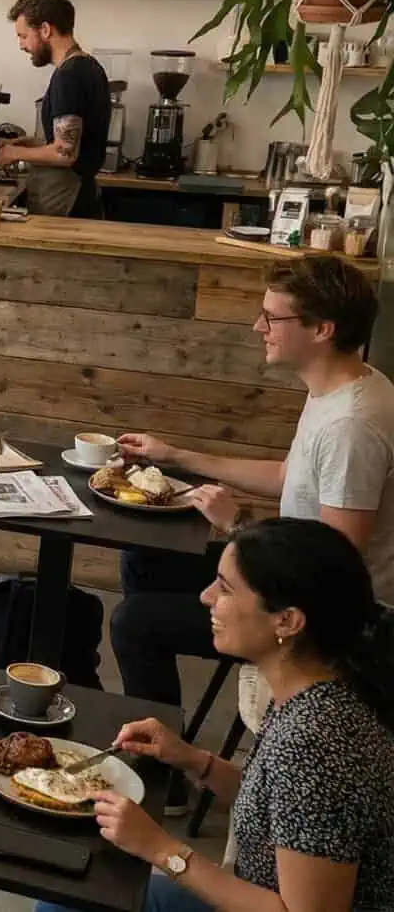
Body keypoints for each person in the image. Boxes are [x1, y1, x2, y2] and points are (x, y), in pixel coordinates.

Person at [34, 518, 394, 912]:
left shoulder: (315, 741)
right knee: (64, 894)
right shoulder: (314, 687)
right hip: (256, 891)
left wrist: (162, 849)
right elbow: (284, 808)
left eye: (225, 588)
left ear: (287, 621)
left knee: (62, 905)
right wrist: (192, 759)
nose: (206, 597)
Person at [113, 256, 394, 715]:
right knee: (145, 559)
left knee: (135, 623)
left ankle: (162, 765)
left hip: (324, 620)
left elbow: (336, 565)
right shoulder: (340, 385)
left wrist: (238, 526)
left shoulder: (352, 426)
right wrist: (177, 456)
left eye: (272, 317)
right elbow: (288, 475)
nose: (257, 326)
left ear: (321, 329)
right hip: (288, 576)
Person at [0, 0, 111, 218]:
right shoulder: (89, 65)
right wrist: (33, 143)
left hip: (68, 201)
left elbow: (65, 153)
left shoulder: (68, 76)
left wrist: (14, 152)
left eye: (24, 36)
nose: (21, 45)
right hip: (81, 196)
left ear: (45, 30)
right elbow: (77, 142)